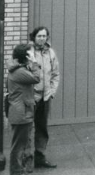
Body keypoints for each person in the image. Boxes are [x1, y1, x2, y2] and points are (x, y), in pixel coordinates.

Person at [27, 26, 60, 169]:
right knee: (27, 130)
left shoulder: (50, 53)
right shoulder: (28, 52)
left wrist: (51, 92)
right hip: (31, 97)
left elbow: (55, 74)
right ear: (33, 37)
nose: (42, 38)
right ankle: (27, 162)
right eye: (39, 36)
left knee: (42, 129)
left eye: (44, 36)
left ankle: (40, 158)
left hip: (45, 98)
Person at [6, 44, 40, 175]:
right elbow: (36, 78)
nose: (33, 55)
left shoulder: (18, 68)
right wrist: (34, 62)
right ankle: (16, 171)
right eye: (30, 54)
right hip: (21, 113)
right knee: (18, 147)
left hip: (22, 111)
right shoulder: (19, 72)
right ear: (25, 56)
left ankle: (22, 169)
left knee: (23, 144)